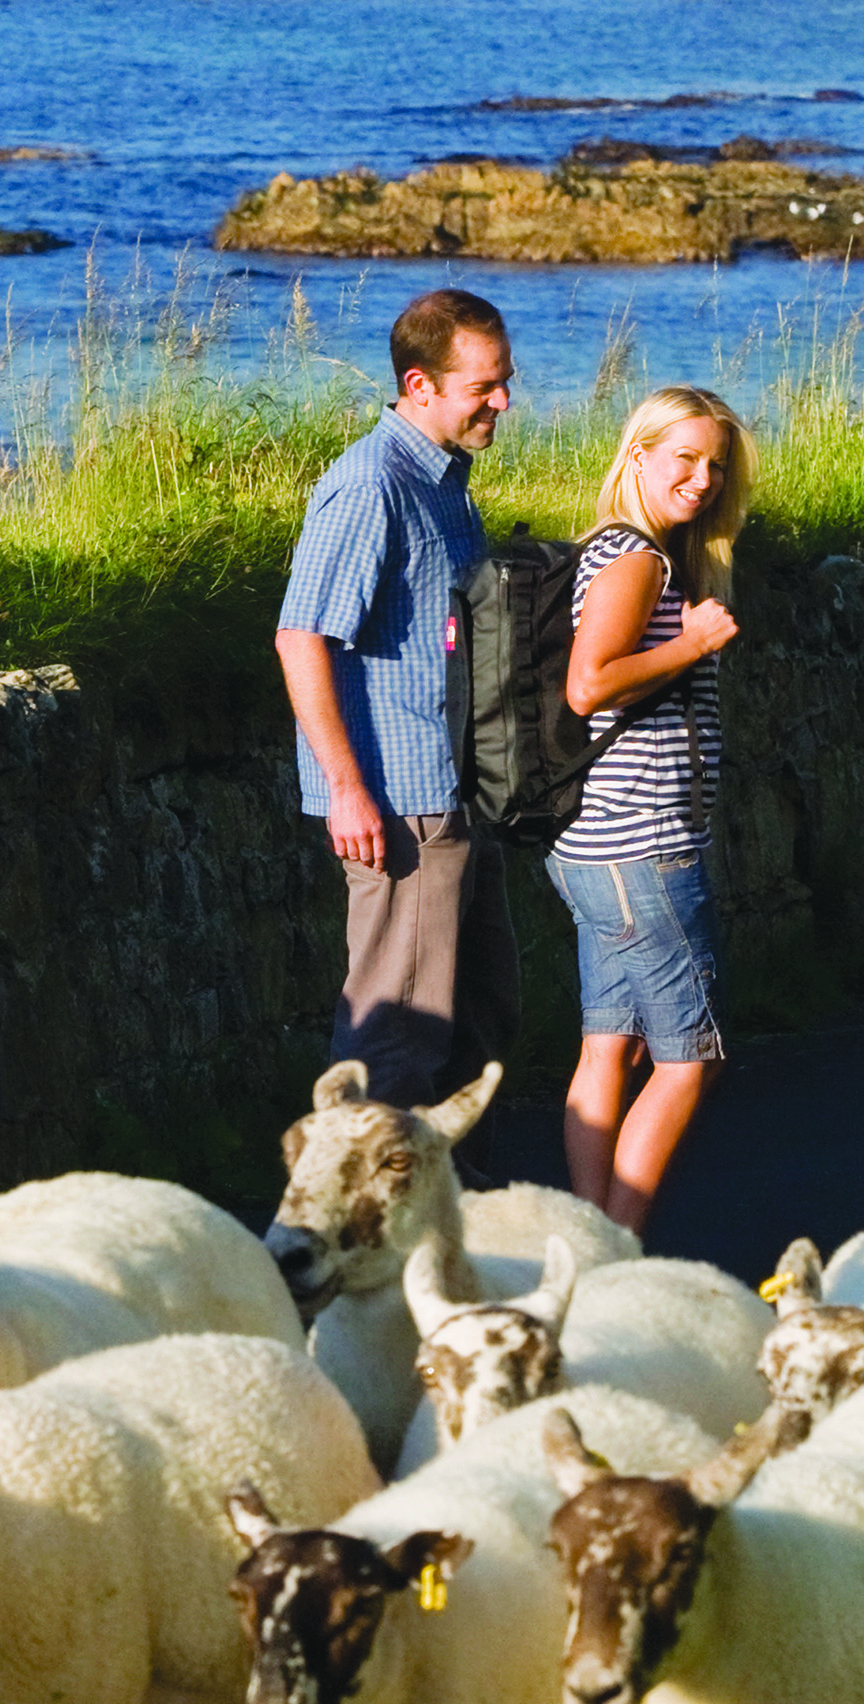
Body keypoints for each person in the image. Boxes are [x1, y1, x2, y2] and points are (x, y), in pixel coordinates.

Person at [274, 286, 522, 1107]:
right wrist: (348, 791)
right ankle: (344, 1227)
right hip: (400, 807)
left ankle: (462, 1220)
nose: (503, 401)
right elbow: (300, 636)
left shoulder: (445, 479)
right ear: (421, 386)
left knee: (479, 1030)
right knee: (394, 1046)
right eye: (484, 385)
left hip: (456, 794)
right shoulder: (371, 483)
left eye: (506, 380)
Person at [551, 382, 752, 1232]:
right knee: (690, 1060)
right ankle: (617, 1245)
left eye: (715, 466)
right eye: (684, 458)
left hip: (596, 844)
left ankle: (590, 1236)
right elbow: (589, 684)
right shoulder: (637, 558)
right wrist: (693, 643)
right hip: (643, 846)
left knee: (613, 1045)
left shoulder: (625, 550)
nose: (702, 480)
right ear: (637, 454)